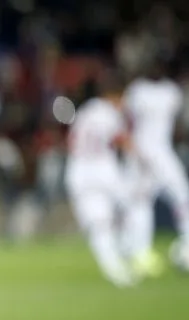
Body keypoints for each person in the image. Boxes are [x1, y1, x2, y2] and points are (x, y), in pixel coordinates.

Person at [124, 57, 189, 275]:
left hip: (162, 151)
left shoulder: (171, 91)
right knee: (141, 201)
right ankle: (139, 252)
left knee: (183, 196)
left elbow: (176, 126)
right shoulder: (137, 90)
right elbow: (128, 122)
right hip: (142, 152)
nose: (155, 67)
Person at [64, 74, 137, 287]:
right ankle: (131, 252)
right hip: (104, 168)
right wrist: (141, 156)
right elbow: (120, 139)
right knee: (134, 207)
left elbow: (72, 141)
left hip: (79, 171)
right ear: (115, 96)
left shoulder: (85, 111)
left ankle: (115, 268)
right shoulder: (108, 112)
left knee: (100, 224)